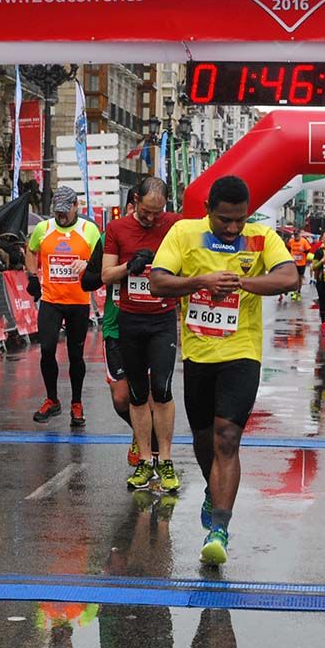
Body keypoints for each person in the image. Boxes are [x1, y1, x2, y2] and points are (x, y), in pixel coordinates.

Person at [150, 175, 299, 566]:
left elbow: (289, 277)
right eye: (224, 220)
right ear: (208, 211)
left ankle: (219, 529)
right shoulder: (185, 233)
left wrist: (243, 283)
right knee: (204, 442)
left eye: (240, 220)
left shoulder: (261, 237)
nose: (233, 228)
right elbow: (157, 283)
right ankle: (210, 489)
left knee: (227, 438)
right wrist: (200, 281)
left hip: (242, 352)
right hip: (198, 355)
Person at [101, 177, 182, 492]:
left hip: (162, 320)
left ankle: (166, 460)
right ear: (135, 200)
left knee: (161, 389)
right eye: (146, 212)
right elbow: (106, 275)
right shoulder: (117, 228)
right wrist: (129, 267)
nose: (151, 218)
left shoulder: (174, 224)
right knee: (136, 394)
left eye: (157, 212)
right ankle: (145, 461)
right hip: (130, 319)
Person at [81, 187, 158, 470]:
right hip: (117, 327)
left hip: (151, 323)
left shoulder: (162, 235)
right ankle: (142, 433)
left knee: (151, 395)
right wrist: (124, 269)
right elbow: (88, 281)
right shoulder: (111, 236)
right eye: (136, 212)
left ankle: (151, 451)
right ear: (130, 208)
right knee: (122, 398)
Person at [26, 187, 101, 427]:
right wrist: (32, 277)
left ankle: (76, 404)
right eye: (57, 211)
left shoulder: (89, 230)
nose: (61, 216)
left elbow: (102, 260)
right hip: (51, 300)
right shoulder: (43, 229)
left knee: (75, 355)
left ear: (76, 206)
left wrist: (87, 264)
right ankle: (52, 400)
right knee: (47, 349)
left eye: (65, 211)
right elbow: (31, 250)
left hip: (78, 302)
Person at [285, 232, 313, 302]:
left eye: (297, 236)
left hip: (302, 263)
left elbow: (309, 249)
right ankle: (293, 291)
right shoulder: (291, 241)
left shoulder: (304, 241)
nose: (296, 238)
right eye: (295, 236)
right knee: (293, 277)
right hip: (293, 262)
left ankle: (298, 291)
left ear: (299, 235)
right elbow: (288, 247)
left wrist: (303, 250)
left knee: (300, 278)